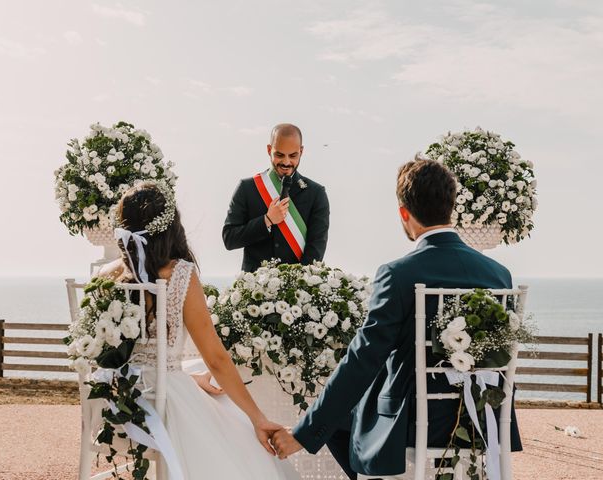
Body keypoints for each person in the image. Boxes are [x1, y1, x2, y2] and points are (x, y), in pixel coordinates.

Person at [271, 158, 522, 479]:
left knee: (333, 422)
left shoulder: (398, 275)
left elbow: (362, 360)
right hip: (480, 418)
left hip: (416, 424)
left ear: (404, 213)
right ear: (451, 206)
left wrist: (302, 434)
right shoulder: (499, 275)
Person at [100, 181, 300, 479]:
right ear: (171, 226)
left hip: (114, 400)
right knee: (243, 442)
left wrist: (188, 380)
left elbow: (119, 354)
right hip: (160, 404)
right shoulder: (179, 273)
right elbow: (215, 358)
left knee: (208, 396)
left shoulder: (106, 275)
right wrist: (258, 418)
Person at [223, 123, 330, 272]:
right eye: (279, 155)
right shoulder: (247, 188)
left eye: (293, 155)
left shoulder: (316, 193)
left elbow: (316, 248)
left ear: (301, 151)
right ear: (269, 150)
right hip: (254, 289)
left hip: (298, 290)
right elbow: (229, 239)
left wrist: (295, 284)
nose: (286, 162)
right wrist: (267, 220)